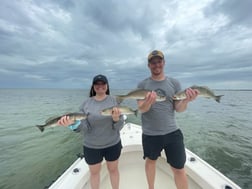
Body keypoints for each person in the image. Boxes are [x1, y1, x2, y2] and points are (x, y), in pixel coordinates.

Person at [137, 50, 199, 189]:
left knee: (179, 168)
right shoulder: (142, 85)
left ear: (164, 63)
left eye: (159, 61)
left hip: (172, 132)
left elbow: (179, 108)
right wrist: (149, 102)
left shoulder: (174, 83)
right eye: (153, 62)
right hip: (150, 133)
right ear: (149, 65)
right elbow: (141, 109)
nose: (156, 65)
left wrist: (187, 101)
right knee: (151, 161)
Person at [58, 74, 124, 189]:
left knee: (113, 170)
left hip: (113, 144)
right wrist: (73, 125)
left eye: (102, 83)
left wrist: (116, 119)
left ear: (107, 86)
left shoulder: (114, 101)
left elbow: (119, 126)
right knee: (94, 173)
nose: (100, 86)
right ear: (93, 86)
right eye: (97, 84)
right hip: (91, 147)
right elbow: (84, 128)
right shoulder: (85, 104)